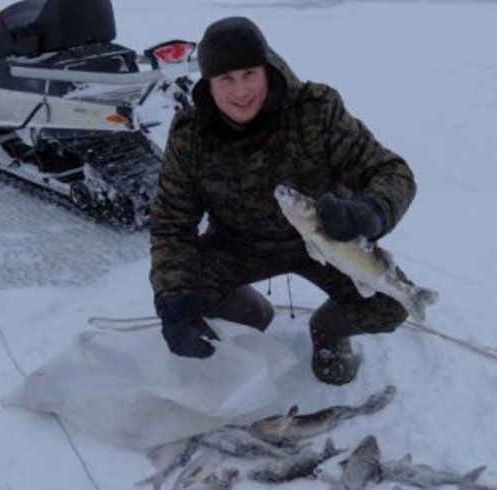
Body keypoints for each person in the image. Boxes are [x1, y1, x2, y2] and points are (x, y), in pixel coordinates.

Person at [149, 16, 416, 385]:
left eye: (248, 73)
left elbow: (391, 171)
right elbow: (170, 224)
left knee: (390, 305)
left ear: (267, 67)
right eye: (226, 79)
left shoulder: (316, 109)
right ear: (208, 83)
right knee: (185, 297)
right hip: (240, 244)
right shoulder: (190, 136)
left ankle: (329, 332)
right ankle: (251, 316)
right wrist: (174, 302)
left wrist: (369, 212)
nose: (240, 91)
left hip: (326, 239)